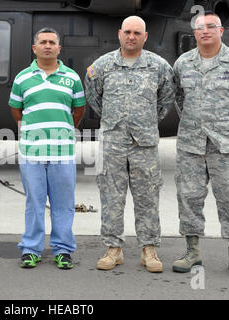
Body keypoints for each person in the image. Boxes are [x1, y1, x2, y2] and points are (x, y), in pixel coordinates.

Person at [172, 11, 229, 279]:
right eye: (200, 27)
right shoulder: (182, 64)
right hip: (191, 145)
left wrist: (228, 126)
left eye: (211, 26)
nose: (205, 31)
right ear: (195, 33)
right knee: (188, 198)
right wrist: (196, 124)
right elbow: (179, 99)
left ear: (221, 31)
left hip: (227, 146)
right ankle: (192, 251)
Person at [84, 16, 176, 273]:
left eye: (137, 33)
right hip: (113, 142)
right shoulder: (102, 66)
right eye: (127, 32)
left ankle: (149, 249)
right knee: (111, 196)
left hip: (144, 144)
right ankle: (113, 248)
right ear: (119, 34)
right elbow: (93, 97)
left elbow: (165, 101)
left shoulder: (159, 67)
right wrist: (116, 121)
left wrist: (144, 123)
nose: (131, 36)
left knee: (147, 196)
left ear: (145, 37)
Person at [9, 27, 85, 269]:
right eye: (43, 42)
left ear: (59, 48)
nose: (48, 45)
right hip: (32, 153)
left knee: (63, 204)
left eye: (52, 42)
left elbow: (79, 109)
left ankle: (63, 250)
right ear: (35, 48)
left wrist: (62, 130)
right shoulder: (22, 78)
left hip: (62, 153)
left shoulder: (72, 77)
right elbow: (16, 110)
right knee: (35, 203)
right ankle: (31, 249)